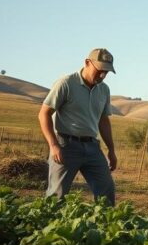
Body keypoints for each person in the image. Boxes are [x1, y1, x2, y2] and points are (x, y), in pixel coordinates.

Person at [38, 48, 118, 206]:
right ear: (87, 63)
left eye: (106, 72)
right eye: (100, 70)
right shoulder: (66, 83)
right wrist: (53, 145)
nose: (102, 76)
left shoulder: (104, 90)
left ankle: (105, 228)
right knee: (56, 196)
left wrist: (111, 150)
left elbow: (103, 121)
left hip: (92, 147)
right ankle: (49, 228)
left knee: (106, 191)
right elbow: (43, 114)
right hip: (65, 146)